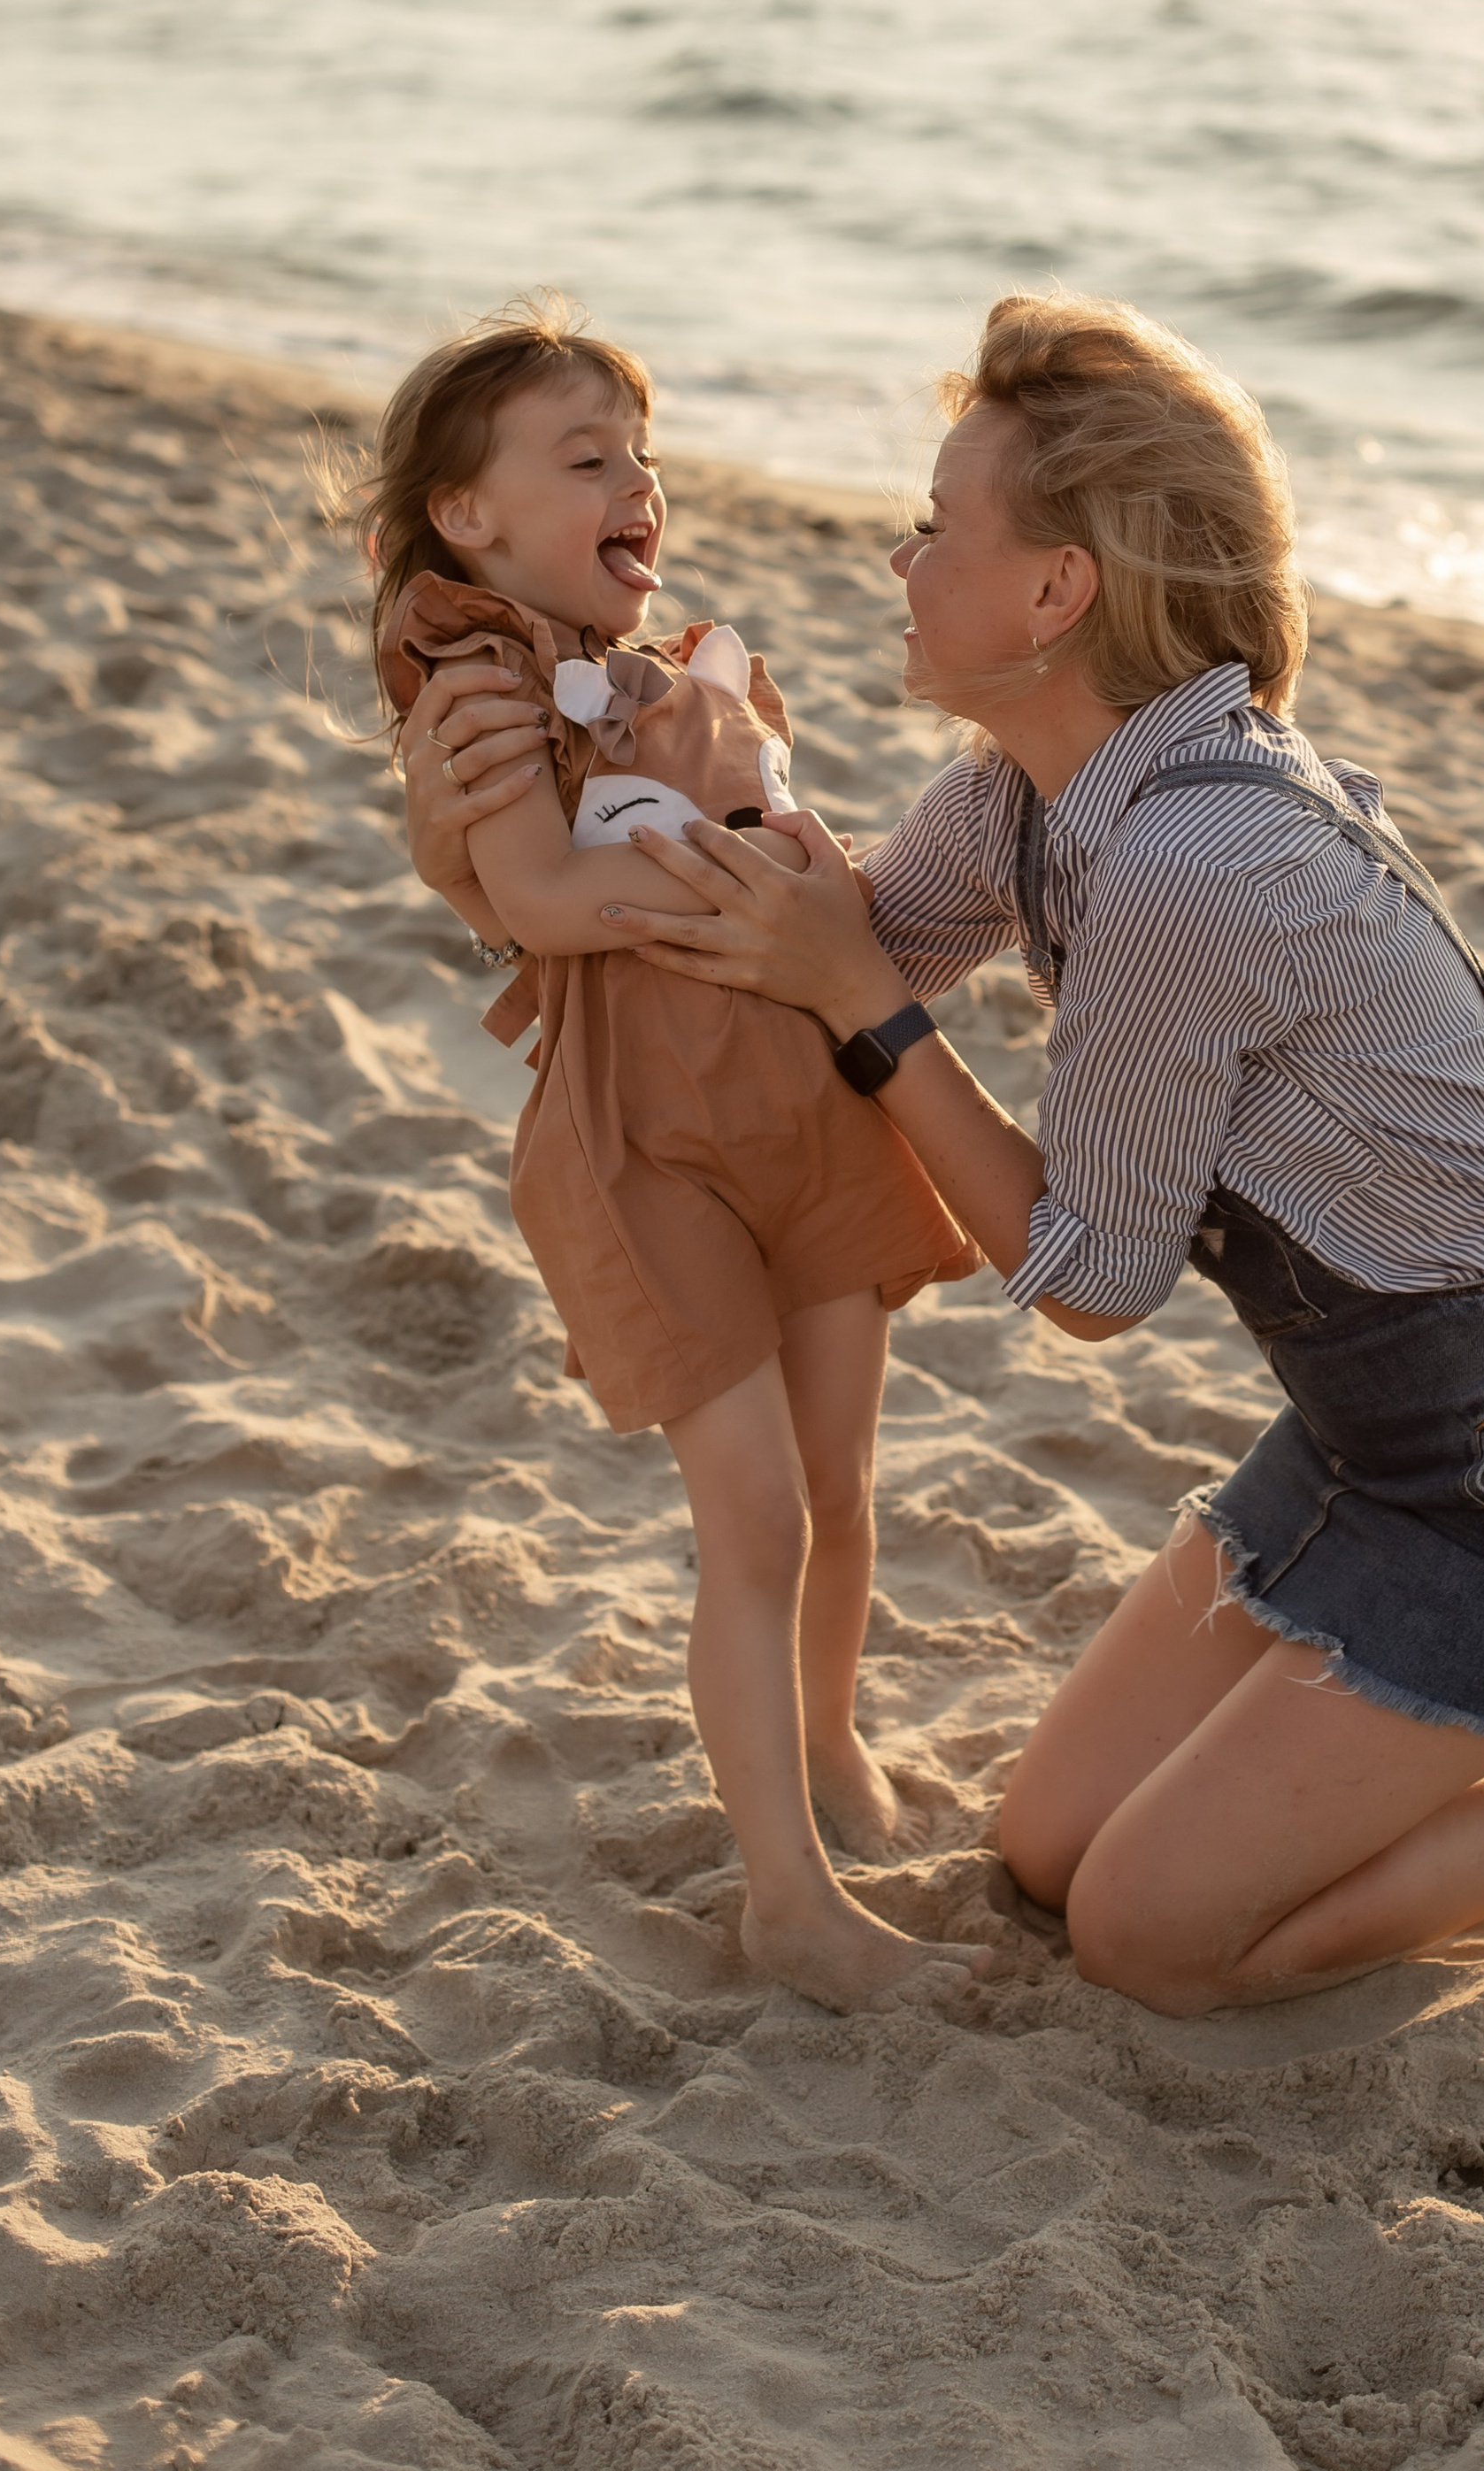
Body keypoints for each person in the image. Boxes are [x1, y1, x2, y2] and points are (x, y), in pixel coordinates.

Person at [401, 291, 1484, 2018]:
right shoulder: (1022, 798)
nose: (895, 555)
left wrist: (872, 1010)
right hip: (1379, 1443)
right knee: (1044, 1848)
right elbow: (798, 940)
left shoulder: (1192, 866)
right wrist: (480, 853)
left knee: (1152, 1940)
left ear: (1053, 593)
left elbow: (1088, 1280)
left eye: (937, 527)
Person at [358, 298, 982, 2013]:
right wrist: (737, 896)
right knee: (757, 1516)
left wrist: (805, 891)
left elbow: (813, 859)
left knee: (844, 1488)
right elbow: (547, 896)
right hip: (644, 1140)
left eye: (643, 454)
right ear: (465, 520)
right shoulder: (481, 690)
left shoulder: (690, 676)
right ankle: (783, 1898)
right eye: (585, 459)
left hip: (804, 1105)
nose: (636, 481)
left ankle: (832, 1742)